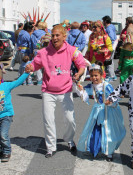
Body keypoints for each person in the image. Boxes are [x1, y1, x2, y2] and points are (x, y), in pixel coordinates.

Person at [25, 24, 87, 158]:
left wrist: (79, 74)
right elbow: (35, 64)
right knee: (48, 120)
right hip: (48, 90)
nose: (54, 38)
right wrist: (30, 67)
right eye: (52, 35)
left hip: (65, 90)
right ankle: (51, 147)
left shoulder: (71, 50)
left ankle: (69, 140)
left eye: (57, 35)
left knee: (70, 119)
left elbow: (81, 64)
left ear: (64, 36)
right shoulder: (43, 52)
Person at [75, 63, 126, 162]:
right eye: (92, 76)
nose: (94, 78)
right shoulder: (91, 86)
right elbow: (85, 95)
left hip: (109, 111)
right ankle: (96, 149)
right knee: (95, 130)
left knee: (109, 132)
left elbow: (114, 97)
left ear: (101, 75)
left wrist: (111, 101)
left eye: (96, 75)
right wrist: (81, 89)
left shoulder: (106, 86)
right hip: (97, 111)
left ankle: (109, 152)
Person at [0, 67, 29, 162]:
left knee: (3, 134)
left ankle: (7, 151)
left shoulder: (6, 86)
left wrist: (26, 73)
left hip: (6, 115)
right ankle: (3, 150)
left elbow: (18, 82)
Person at [102, 15, 118, 82]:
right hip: (113, 45)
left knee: (109, 61)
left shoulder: (108, 28)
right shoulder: (112, 26)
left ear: (105, 21)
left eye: (103, 21)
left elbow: (111, 37)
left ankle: (112, 76)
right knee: (110, 61)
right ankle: (113, 75)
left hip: (110, 46)